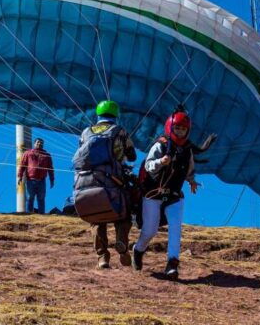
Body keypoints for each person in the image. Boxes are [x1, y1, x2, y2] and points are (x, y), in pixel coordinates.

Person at [132, 107, 200, 280]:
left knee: (175, 228)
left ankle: (172, 263)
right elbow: (148, 165)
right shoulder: (160, 145)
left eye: (183, 129)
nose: (180, 131)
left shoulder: (187, 150)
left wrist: (191, 180)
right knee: (150, 231)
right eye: (177, 128)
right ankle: (138, 250)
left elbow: (189, 168)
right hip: (153, 193)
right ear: (171, 127)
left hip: (174, 196)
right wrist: (161, 162)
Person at [73, 100, 137, 269]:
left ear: (98, 114)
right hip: (112, 180)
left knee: (96, 219)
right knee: (124, 213)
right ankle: (122, 243)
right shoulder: (119, 131)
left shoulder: (86, 132)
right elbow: (132, 156)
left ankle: (102, 257)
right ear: (115, 115)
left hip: (86, 182)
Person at [17, 138, 55, 214]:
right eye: (38, 142)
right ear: (34, 143)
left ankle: (41, 214)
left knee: (41, 198)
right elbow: (22, 165)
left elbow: (50, 168)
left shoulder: (46, 155)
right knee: (30, 197)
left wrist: (52, 179)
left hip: (42, 180)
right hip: (31, 179)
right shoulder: (28, 153)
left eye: (41, 143)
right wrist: (20, 176)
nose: (39, 144)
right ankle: (29, 213)